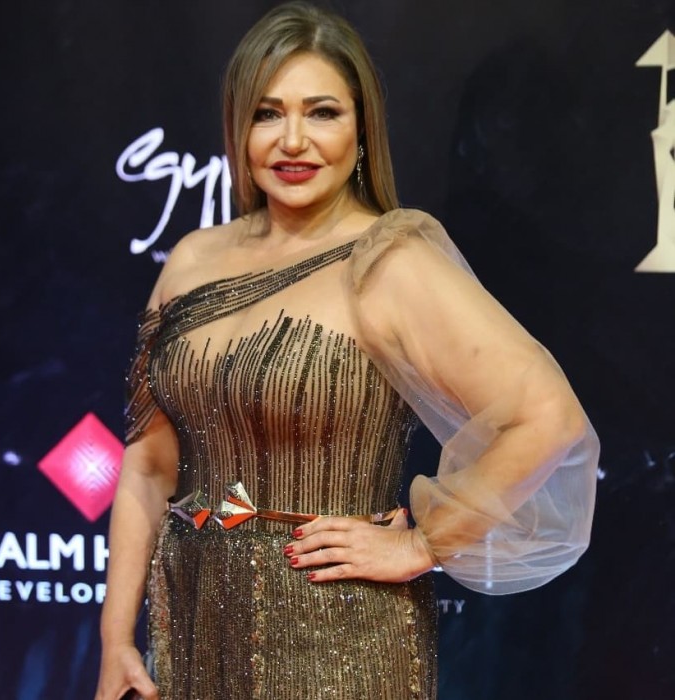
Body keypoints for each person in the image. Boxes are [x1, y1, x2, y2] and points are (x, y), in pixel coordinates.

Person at [95, 2, 599, 699]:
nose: (292, 140)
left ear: (362, 131)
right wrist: (116, 640)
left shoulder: (390, 261)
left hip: (341, 638)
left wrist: (423, 543)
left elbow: (548, 417)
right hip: (194, 629)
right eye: (267, 114)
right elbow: (149, 469)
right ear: (238, 129)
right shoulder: (189, 261)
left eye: (322, 112)